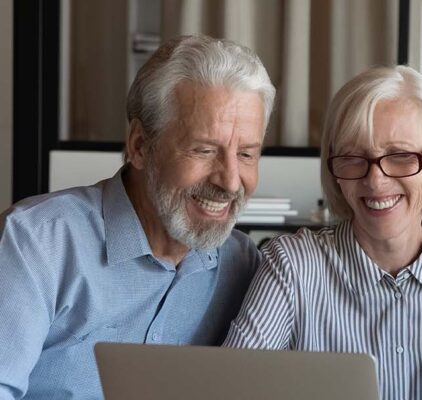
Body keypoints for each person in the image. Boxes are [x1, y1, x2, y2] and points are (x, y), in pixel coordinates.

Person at [0, 34, 276, 399]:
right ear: (140, 146)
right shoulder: (35, 244)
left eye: (246, 154)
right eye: (204, 150)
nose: (229, 181)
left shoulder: (245, 266)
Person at [223, 65, 422, 399]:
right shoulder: (292, 265)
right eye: (353, 158)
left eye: (401, 156)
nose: (375, 182)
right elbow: (236, 390)